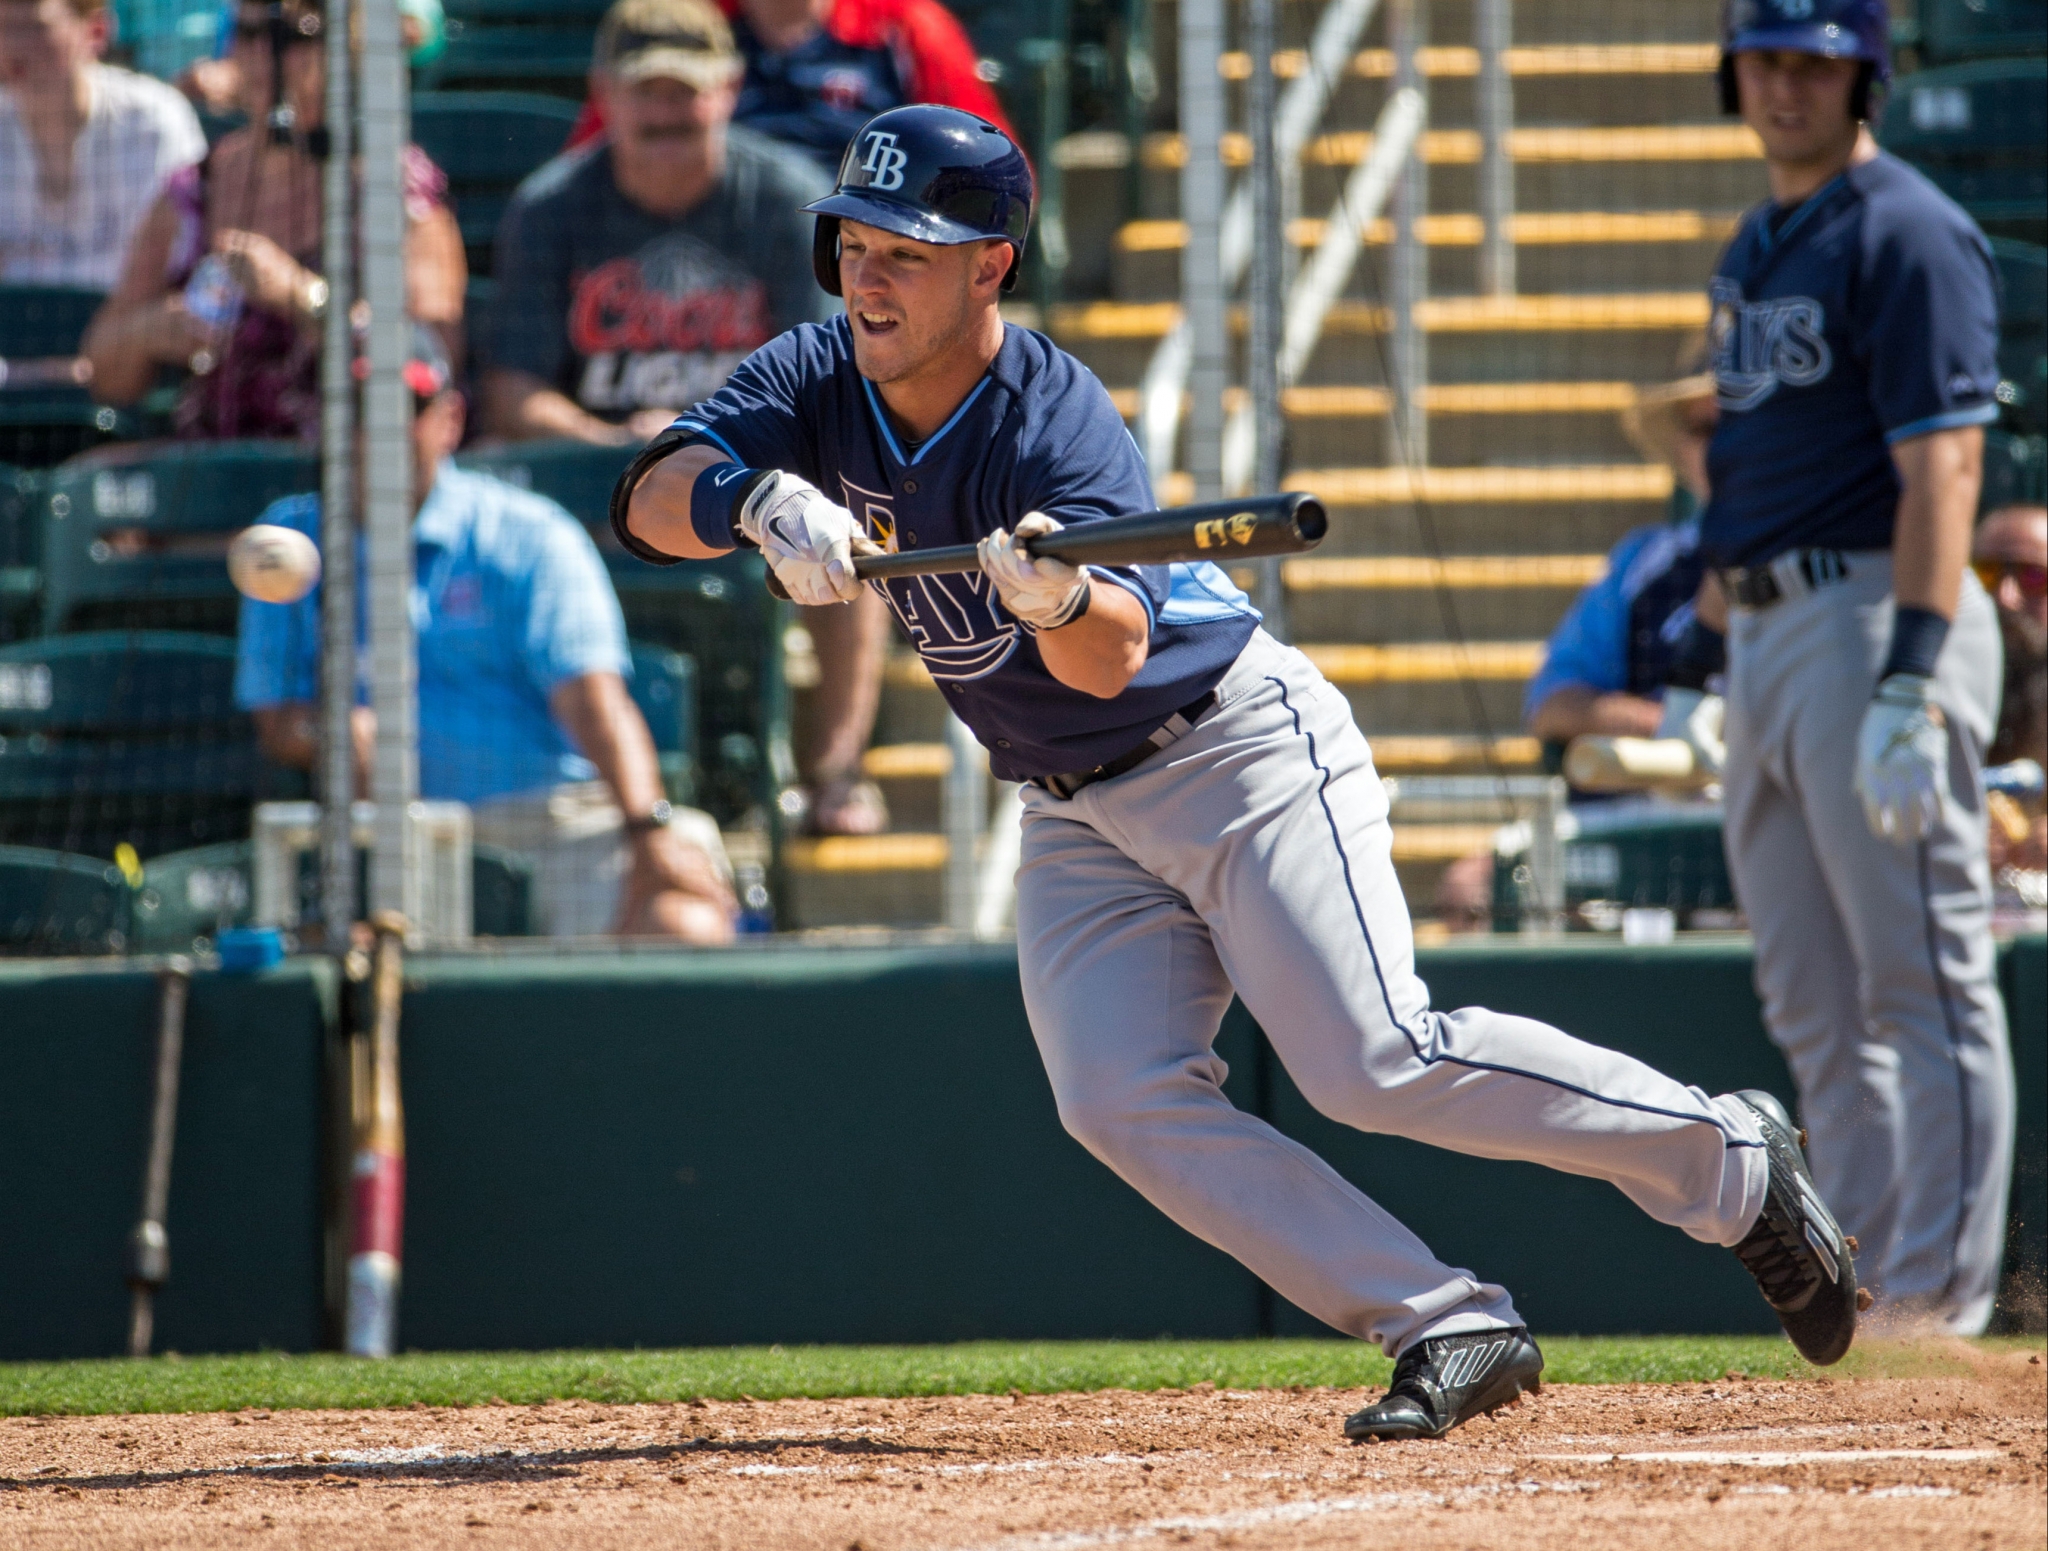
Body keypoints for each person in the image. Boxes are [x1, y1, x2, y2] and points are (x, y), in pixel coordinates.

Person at [615, 103, 1863, 1439]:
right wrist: (747, 502)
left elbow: (1114, 654)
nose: (869, 276)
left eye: (908, 253)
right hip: (1069, 803)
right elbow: (643, 494)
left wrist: (1050, 599)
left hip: (1233, 749)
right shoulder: (819, 373)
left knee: (1372, 1058)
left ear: (992, 265)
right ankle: (1445, 1318)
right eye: (855, 245)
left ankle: (1729, 1157)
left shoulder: (1056, 417)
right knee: (1116, 1094)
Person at [1651, 0, 2013, 1335]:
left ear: (1865, 76)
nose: (1786, 83)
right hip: (1768, 632)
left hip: (1878, 612)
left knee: (1919, 975)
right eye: (1767, 57)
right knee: (1813, 999)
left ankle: (1943, 1295)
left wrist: (1916, 671)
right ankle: (1861, 1292)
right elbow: (1755, 463)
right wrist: (1710, 650)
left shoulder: (1906, 227)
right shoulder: (1758, 239)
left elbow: (1948, 467)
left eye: (1815, 60)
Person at [481, 0, 887, 834]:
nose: (666, 112)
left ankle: (834, 773)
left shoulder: (784, 198)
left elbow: (821, 375)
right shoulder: (551, 206)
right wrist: (617, 443)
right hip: (597, 478)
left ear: (730, 88)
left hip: (758, 466)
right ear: (606, 94)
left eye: (686, 92)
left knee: (849, 510)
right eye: (646, 93)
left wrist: (710, 448)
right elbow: (512, 395)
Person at [236, 328, 737, 943]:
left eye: (409, 408)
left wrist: (646, 828)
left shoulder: (527, 534)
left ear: (449, 419)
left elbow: (592, 701)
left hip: (544, 823)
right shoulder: (288, 538)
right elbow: (280, 721)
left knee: (682, 922)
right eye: (363, 410)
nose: (384, 431)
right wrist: (336, 734)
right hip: (388, 831)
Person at [81, 0, 466, 439]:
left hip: (350, 474)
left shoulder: (396, 190)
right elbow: (103, 371)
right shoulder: (194, 188)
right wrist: (150, 330)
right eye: (249, 35)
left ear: (347, 46)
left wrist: (303, 298)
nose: (268, 56)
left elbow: (434, 359)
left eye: (295, 37)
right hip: (213, 469)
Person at [563, 0, 1015, 171]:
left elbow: (994, 169)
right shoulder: (678, 28)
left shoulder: (907, 25)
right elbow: (586, 167)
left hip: (863, 266)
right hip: (707, 288)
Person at [0, 0, 205, 289]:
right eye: (5, 28)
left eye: (35, 28)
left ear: (95, 31)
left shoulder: (153, 122)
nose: (14, 47)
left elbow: (184, 263)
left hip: (128, 326)